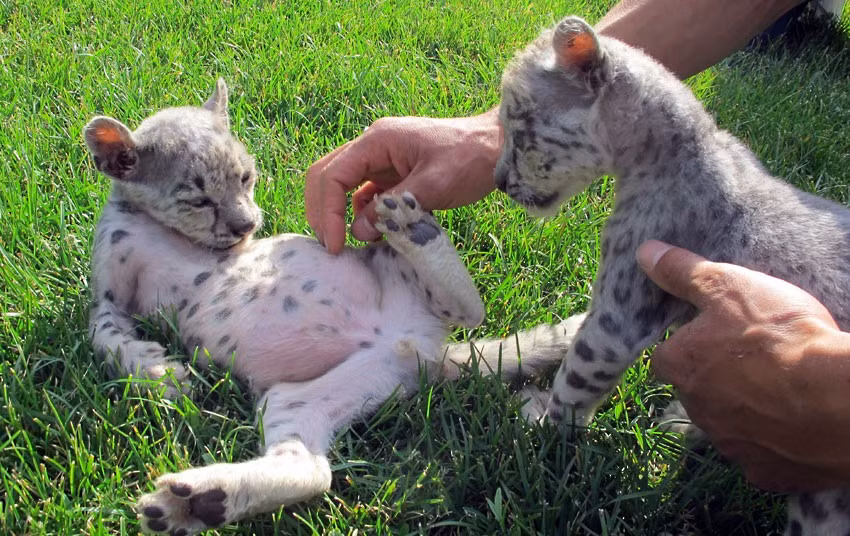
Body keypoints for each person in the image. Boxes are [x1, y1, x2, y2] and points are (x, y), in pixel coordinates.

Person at [304, 0, 850, 492]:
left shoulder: (657, 213)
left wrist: (559, 407)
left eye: (525, 138)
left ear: (599, 93)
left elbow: (610, 336)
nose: (503, 170)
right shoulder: (724, 166)